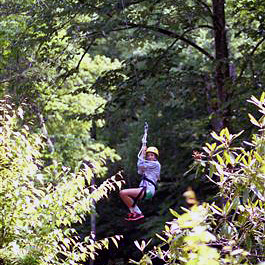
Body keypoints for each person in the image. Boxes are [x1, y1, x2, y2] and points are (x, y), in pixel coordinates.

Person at [119, 145, 161, 221]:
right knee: (123, 194)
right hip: (146, 189)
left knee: (123, 193)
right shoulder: (149, 166)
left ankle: (137, 212)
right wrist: (143, 153)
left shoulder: (155, 164)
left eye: (152, 155)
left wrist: (142, 153)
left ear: (155, 157)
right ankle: (135, 212)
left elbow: (140, 165)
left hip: (148, 190)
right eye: (148, 156)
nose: (150, 157)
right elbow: (139, 171)